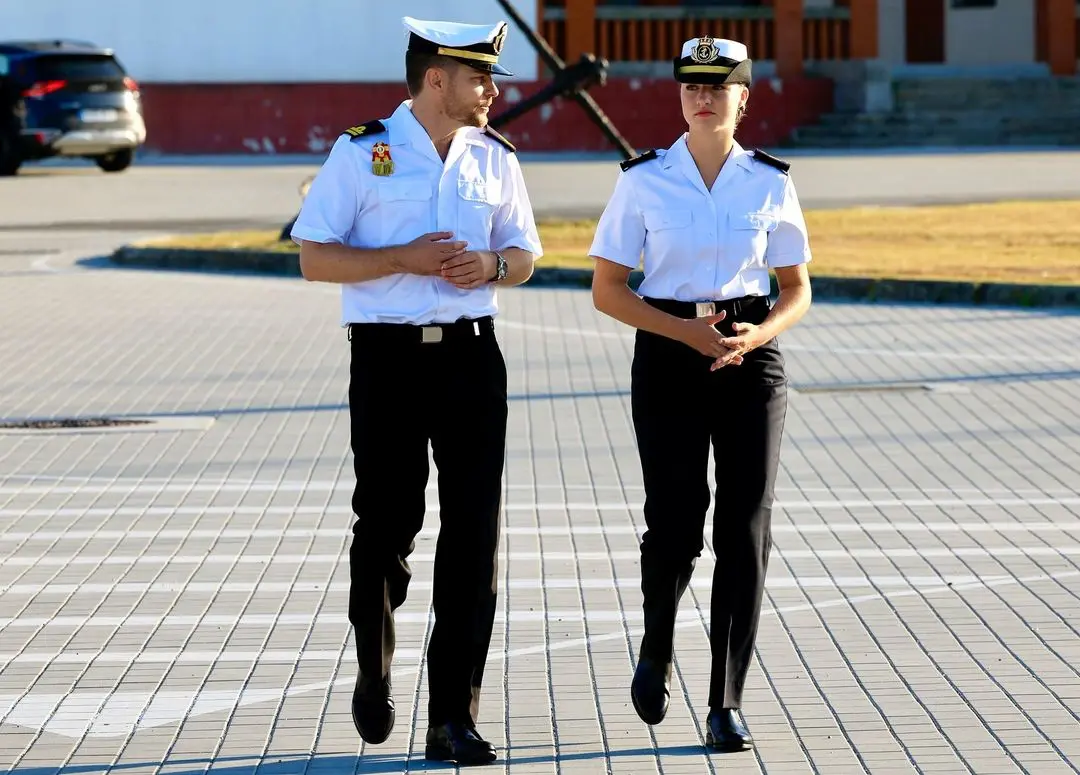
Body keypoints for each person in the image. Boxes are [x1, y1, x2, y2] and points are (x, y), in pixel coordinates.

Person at [290, 15, 542, 767]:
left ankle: (451, 718)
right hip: (388, 361)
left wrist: (494, 269)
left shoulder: (495, 156)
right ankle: (374, 663)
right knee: (387, 525)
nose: (492, 90)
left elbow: (526, 250)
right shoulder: (361, 149)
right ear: (437, 78)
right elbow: (313, 258)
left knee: (474, 537)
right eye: (478, 77)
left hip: (472, 358)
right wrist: (400, 257)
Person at [587, 36, 813, 752]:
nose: (704, 97)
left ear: (745, 98)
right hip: (669, 352)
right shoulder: (644, 180)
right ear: (680, 96)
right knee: (678, 522)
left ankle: (725, 701)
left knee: (745, 528)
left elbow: (797, 289)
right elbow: (608, 289)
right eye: (692, 86)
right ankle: (656, 644)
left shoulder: (770, 180)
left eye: (720, 87)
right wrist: (682, 335)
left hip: (751, 357)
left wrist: (756, 337)